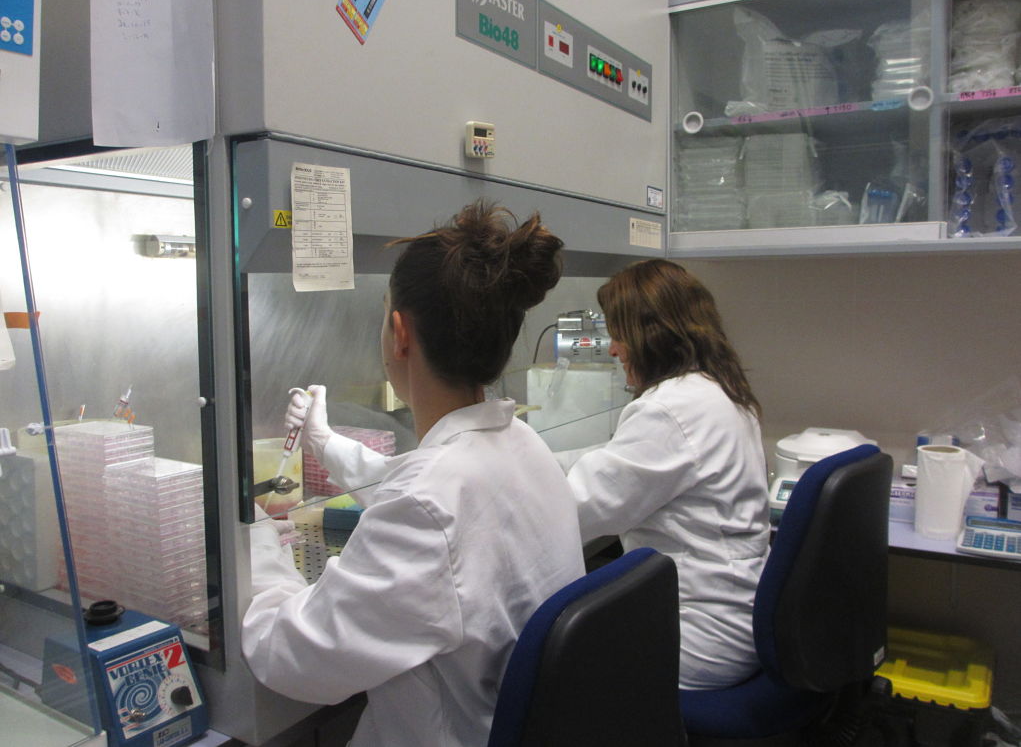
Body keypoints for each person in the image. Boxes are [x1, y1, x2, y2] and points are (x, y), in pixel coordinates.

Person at [242, 200, 586, 746]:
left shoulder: (430, 504)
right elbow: (414, 488)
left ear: (399, 333)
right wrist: (324, 442)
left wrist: (255, 543)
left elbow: (289, 655)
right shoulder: (521, 444)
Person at [561, 258, 770, 691]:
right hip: (739, 614)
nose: (613, 349)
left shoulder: (669, 409)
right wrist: (532, 461)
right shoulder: (716, 392)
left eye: (618, 335)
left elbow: (575, 511)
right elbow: (613, 460)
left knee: (539, 653)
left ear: (650, 335)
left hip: (698, 637)